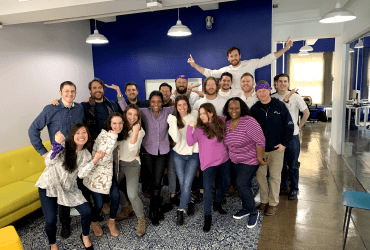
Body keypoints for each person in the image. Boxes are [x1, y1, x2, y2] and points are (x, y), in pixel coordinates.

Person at [35, 123, 105, 250]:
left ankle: (84, 236)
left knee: (87, 211)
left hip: (69, 188)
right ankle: (53, 244)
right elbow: (48, 162)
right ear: (72, 135)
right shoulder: (62, 147)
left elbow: (82, 174)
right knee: (51, 220)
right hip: (49, 185)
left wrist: (95, 160)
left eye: (84, 132)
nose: (81, 135)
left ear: (88, 135)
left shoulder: (86, 154)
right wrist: (56, 143)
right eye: (77, 133)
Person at [29, 81, 84, 239]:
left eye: (72, 91)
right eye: (66, 91)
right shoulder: (50, 108)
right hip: (59, 158)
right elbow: (33, 129)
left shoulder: (79, 108)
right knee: (62, 190)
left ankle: (86, 215)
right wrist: (43, 152)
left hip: (77, 156)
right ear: (60, 93)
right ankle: (65, 224)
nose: (69, 94)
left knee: (78, 186)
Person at [118, 90, 175, 225]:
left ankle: (153, 210)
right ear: (150, 102)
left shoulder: (167, 111)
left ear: (162, 103)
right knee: (150, 183)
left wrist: (185, 92)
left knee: (158, 182)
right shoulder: (144, 111)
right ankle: (154, 208)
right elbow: (127, 109)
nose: (156, 104)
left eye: (159, 101)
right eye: (153, 101)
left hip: (162, 151)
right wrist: (119, 95)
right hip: (148, 152)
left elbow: (182, 106)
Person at [250, 81, 294, 216]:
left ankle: (273, 203)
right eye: (259, 91)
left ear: (269, 90)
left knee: (275, 177)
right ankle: (264, 200)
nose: (262, 93)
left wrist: (284, 144)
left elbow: (289, 126)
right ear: (256, 94)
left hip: (276, 150)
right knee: (261, 177)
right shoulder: (254, 109)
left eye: (264, 90)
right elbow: (249, 130)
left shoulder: (279, 106)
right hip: (260, 150)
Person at [186, 103, 231, 232]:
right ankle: (207, 217)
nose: (201, 116)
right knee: (207, 190)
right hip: (208, 163)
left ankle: (217, 202)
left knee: (227, 181)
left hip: (224, 160)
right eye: (200, 114)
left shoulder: (221, 121)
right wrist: (190, 127)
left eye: (203, 113)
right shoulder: (199, 129)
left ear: (211, 113)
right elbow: (190, 142)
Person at [187, 37, 293, 90]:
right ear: (228, 58)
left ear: (240, 56)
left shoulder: (250, 64)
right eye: (231, 56)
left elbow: (268, 59)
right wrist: (195, 65)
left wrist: (286, 48)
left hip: (252, 97)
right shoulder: (226, 70)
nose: (234, 58)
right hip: (236, 99)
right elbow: (209, 73)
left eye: (236, 55)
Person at [222, 97, 266, 228]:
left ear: (242, 109)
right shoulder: (227, 123)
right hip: (235, 160)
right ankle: (246, 208)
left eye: (236, 108)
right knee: (242, 185)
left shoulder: (249, 121)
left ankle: (253, 212)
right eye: (231, 108)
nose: (234, 110)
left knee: (241, 184)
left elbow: (260, 140)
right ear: (227, 109)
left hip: (250, 159)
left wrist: (259, 157)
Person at [83, 113, 123, 237]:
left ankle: (111, 221)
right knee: (99, 204)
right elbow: (102, 159)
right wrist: (113, 137)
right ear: (109, 124)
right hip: (96, 175)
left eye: (120, 123)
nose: (117, 126)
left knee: (116, 195)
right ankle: (94, 221)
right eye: (114, 123)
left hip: (108, 174)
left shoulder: (114, 135)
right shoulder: (105, 136)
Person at [271, 74, 309, 200]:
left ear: (288, 83)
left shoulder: (295, 97)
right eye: (280, 81)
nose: (283, 83)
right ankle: (284, 185)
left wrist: (299, 127)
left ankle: (294, 189)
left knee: (293, 164)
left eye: (285, 81)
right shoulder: (272, 98)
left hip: (292, 137)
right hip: (278, 137)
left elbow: (306, 113)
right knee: (281, 164)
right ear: (275, 83)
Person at [167, 95, 199, 226]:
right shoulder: (173, 120)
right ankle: (190, 202)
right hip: (179, 155)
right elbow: (175, 138)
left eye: (184, 105)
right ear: (176, 107)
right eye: (179, 105)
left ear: (188, 105)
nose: (182, 108)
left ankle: (180, 210)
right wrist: (173, 121)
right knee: (183, 183)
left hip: (193, 155)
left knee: (186, 184)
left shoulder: (195, 115)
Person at [116, 104, 147, 236]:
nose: (132, 117)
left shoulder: (140, 131)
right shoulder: (119, 127)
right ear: (125, 115)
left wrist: (135, 133)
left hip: (132, 164)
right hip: (118, 164)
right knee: (111, 188)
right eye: (130, 114)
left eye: (135, 115)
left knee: (133, 194)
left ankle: (141, 220)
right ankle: (126, 208)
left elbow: (131, 149)